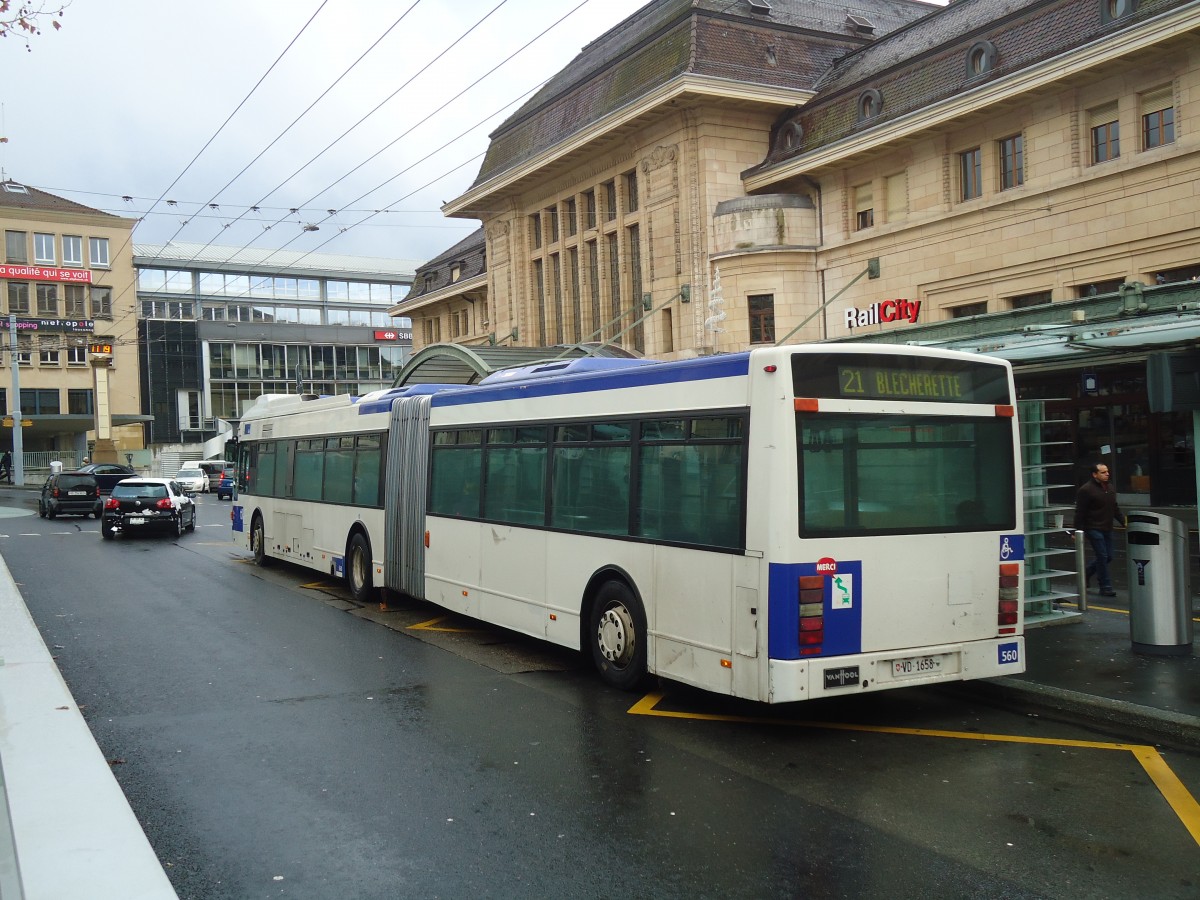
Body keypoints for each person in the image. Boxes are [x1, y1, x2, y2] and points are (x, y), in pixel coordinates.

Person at [1073, 462, 1124, 597]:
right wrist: (1077, 531)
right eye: (1103, 472)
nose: (1107, 474)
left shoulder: (1110, 488)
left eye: (1107, 471)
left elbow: (1115, 508)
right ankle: (1105, 586)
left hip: (1107, 527)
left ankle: (1086, 573)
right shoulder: (1086, 490)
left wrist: (1125, 522)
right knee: (1102, 556)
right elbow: (1080, 512)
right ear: (1095, 474)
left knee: (1109, 556)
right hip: (1093, 527)